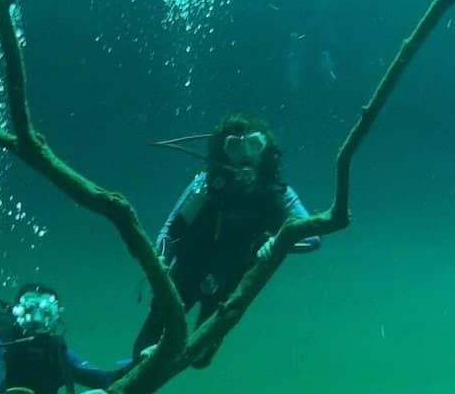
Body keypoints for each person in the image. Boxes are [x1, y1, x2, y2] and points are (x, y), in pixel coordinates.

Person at [134, 114, 322, 368]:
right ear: (222, 151)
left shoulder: (280, 193)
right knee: (145, 345)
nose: (245, 155)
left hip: (228, 281)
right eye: (234, 146)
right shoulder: (205, 184)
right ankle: (134, 376)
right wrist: (161, 261)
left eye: (254, 145)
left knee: (201, 357)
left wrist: (277, 243)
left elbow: (313, 238)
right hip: (187, 271)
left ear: (267, 150)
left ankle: (154, 362)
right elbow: (171, 230)